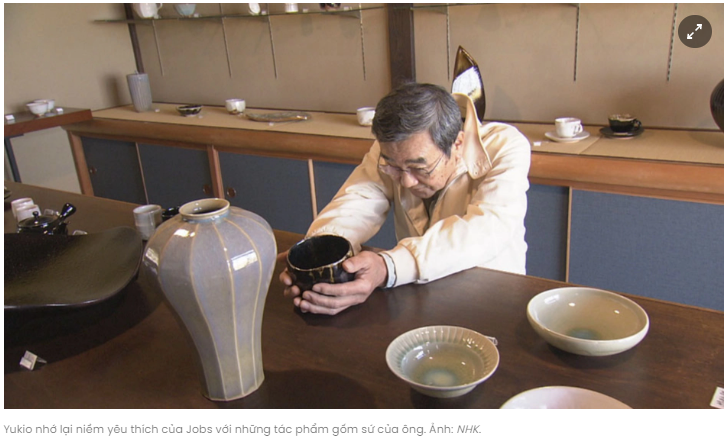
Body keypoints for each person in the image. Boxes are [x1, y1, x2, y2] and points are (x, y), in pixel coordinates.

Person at [280, 82, 531, 315]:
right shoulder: (393, 150)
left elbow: (488, 227)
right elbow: (359, 198)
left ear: (457, 144)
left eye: (419, 168)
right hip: (421, 296)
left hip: (492, 301)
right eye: (394, 168)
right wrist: (324, 253)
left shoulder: (505, 146)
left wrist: (388, 266)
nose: (407, 182)